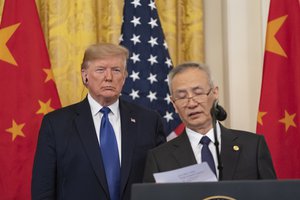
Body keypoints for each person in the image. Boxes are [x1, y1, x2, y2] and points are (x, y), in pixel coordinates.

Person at [31, 43, 166, 200]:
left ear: (124, 77)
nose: (108, 77)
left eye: (116, 70)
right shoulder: (56, 124)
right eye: (100, 70)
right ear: (85, 75)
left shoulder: (149, 121)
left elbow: (162, 181)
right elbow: (43, 190)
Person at [143, 62, 276, 182]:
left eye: (198, 93)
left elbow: (271, 195)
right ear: (174, 104)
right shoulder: (159, 158)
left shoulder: (253, 147)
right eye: (182, 97)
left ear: (215, 92)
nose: (191, 103)